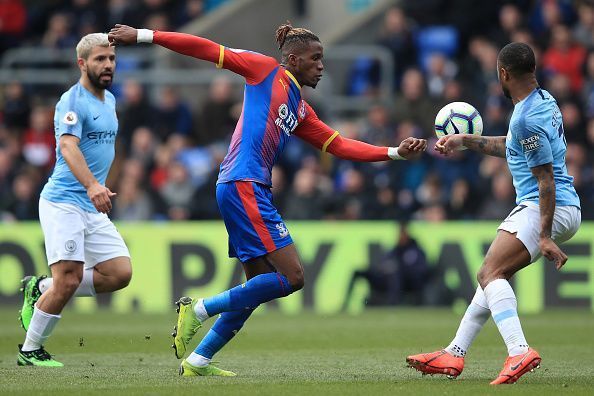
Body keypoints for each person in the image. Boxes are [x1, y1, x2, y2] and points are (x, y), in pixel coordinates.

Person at [108, 22, 427, 377]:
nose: (322, 66)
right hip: (243, 183)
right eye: (315, 59)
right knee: (293, 277)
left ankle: (199, 361)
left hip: (246, 187)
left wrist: (394, 152)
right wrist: (143, 35)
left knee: (256, 286)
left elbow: (339, 145)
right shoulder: (264, 70)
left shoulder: (301, 109)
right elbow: (203, 47)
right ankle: (198, 310)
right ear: (293, 59)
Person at [406, 42, 581, 385]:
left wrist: (544, 235)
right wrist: (467, 141)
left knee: (489, 272)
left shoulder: (526, 118)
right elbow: (513, 145)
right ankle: (454, 353)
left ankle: (519, 351)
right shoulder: (542, 102)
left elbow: (545, 179)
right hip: (559, 203)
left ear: (503, 73)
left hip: (546, 205)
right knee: (493, 276)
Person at [17, 33, 132, 367]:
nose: (108, 65)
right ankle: (30, 350)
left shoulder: (109, 101)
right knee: (68, 278)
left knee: (119, 273)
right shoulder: (72, 101)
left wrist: (102, 186)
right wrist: (94, 184)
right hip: (64, 201)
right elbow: (68, 147)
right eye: (100, 59)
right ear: (82, 63)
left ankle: (41, 286)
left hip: (90, 204)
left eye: (111, 59)